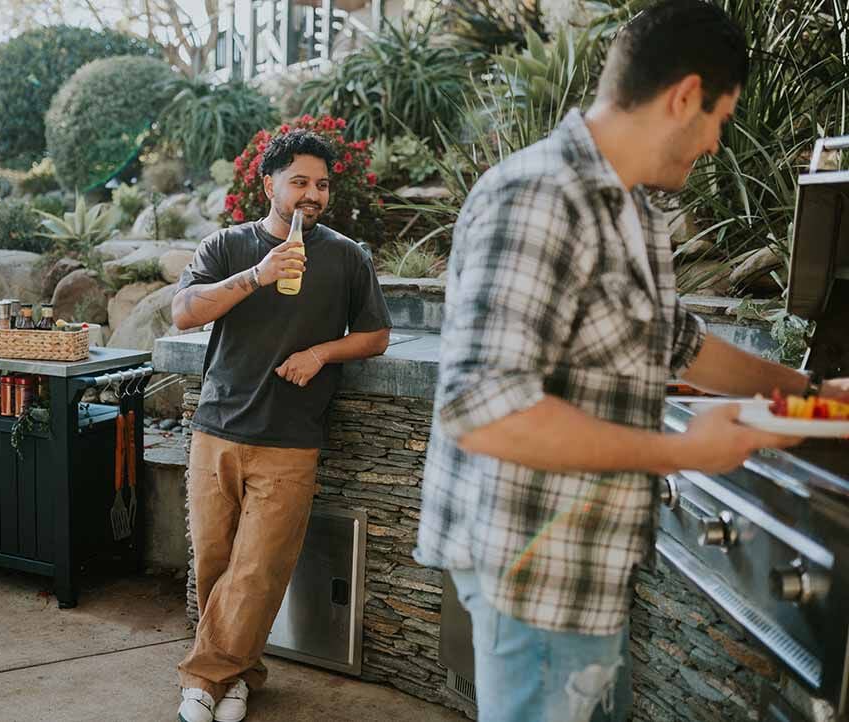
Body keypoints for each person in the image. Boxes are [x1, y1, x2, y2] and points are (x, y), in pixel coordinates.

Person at [414, 2, 849, 721]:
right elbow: (484, 411)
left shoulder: (631, 207)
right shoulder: (540, 196)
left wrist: (813, 391)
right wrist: (678, 449)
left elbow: (678, 341)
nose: (715, 144)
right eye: (720, 118)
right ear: (684, 96)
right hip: (532, 576)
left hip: (585, 569)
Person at [172, 129, 392, 722]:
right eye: (299, 182)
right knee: (214, 566)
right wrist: (257, 276)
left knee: (258, 570)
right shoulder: (227, 245)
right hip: (216, 429)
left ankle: (201, 679)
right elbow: (185, 311)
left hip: (290, 439)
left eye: (321, 185)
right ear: (268, 184)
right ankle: (240, 676)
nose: (312, 195)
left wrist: (321, 354)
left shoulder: (347, 257)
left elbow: (376, 335)